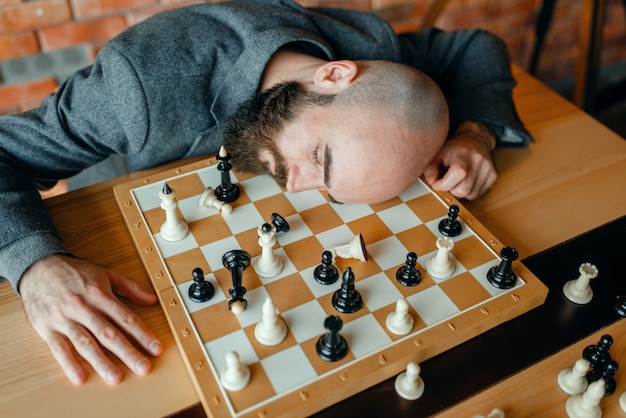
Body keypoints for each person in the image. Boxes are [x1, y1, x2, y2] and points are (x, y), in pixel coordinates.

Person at [0, 0, 532, 386]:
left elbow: (476, 45)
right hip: (121, 242)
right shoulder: (141, 83)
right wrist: (35, 266)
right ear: (333, 74)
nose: (297, 187)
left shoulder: (380, 61)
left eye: (329, 190)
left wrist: (475, 134)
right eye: (320, 159)